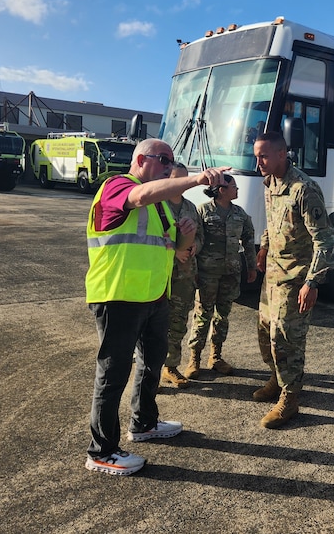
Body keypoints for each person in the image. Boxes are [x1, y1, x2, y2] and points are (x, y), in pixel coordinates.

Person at [84, 138, 228, 476]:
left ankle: (144, 423)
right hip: (118, 296)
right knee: (113, 372)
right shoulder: (118, 185)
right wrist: (195, 180)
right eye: (162, 159)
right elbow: (138, 196)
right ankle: (101, 451)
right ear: (139, 159)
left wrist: (188, 236)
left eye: (171, 160)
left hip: (152, 298)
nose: (167, 164)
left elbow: (178, 250)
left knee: (152, 363)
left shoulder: (161, 207)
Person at [252, 131, 334, 429]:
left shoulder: (304, 189)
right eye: (256, 155)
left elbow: (325, 240)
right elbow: (272, 222)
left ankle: (290, 399)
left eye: (263, 155)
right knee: (265, 332)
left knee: (287, 340)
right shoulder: (269, 183)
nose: (257, 161)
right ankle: (276, 380)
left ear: (281, 154)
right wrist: (263, 246)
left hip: (295, 280)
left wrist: (312, 282)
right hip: (272, 276)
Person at [183, 174, 258, 378]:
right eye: (234, 186)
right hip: (207, 273)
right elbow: (196, 241)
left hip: (230, 274)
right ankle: (194, 359)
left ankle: (215, 357)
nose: (237, 190)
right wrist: (194, 271)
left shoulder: (240, 214)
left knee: (222, 316)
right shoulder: (203, 211)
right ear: (222, 190)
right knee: (202, 315)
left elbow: (249, 241)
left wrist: (252, 267)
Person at [161, 163, 204, 389]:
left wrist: (195, 245)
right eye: (179, 178)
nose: (183, 184)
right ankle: (148, 370)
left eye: (186, 179)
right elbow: (153, 236)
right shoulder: (158, 205)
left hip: (185, 277)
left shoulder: (190, 207)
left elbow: (200, 236)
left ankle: (170, 366)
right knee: (153, 324)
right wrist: (174, 251)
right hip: (162, 275)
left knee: (178, 322)